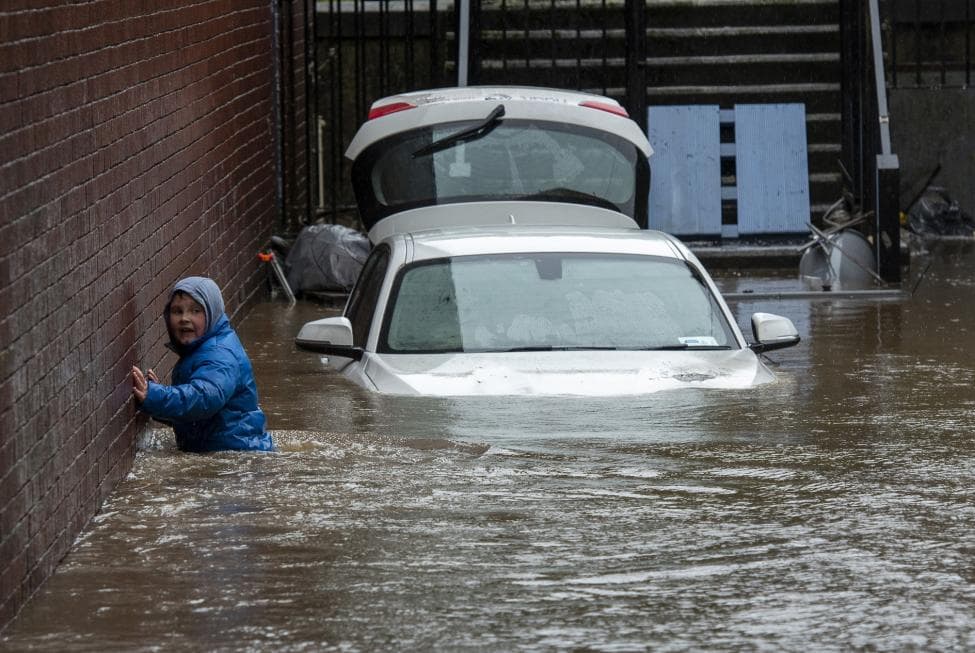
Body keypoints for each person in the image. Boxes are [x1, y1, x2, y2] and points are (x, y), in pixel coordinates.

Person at [131, 276, 274, 453]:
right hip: (226, 449)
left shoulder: (219, 355)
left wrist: (156, 395)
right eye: (177, 311)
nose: (184, 318)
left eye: (196, 311)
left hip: (237, 453)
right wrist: (157, 402)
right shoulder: (200, 350)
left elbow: (203, 399)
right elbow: (196, 417)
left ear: (212, 313)